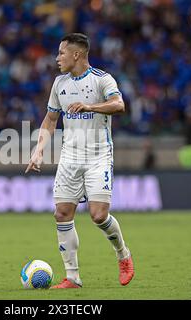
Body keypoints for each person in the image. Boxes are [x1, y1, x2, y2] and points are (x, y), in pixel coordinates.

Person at [25, 33, 134, 289]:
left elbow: (119, 105)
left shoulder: (102, 79)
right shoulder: (59, 83)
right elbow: (51, 119)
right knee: (62, 213)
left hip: (98, 156)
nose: (57, 58)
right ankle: (72, 277)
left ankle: (123, 254)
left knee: (98, 215)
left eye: (61, 53)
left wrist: (90, 106)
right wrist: (39, 149)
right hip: (70, 158)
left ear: (76, 54)